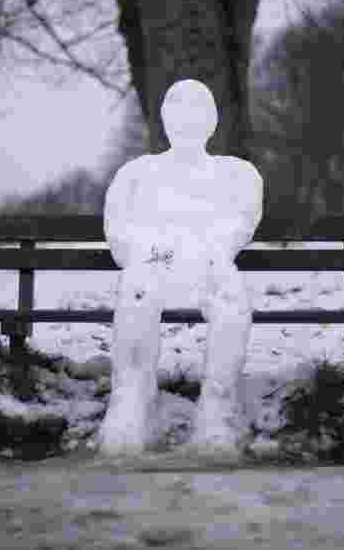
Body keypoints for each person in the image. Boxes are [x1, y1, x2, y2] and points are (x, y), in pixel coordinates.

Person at [97, 78, 263, 459]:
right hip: (154, 268)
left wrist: (210, 252)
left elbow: (240, 224)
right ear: (164, 119)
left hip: (209, 268)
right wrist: (150, 253)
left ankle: (217, 407)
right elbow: (119, 231)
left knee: (229, 294)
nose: (188, 121)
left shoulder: (238, 175)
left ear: (213, 120)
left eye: (198, 111)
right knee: (137, 288)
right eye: (178, 111)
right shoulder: (137, 174)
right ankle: (133, 399)